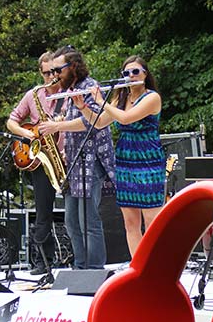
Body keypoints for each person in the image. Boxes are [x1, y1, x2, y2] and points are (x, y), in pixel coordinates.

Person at [68, 55, 165, 256]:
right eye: (126, 73)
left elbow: (126, 119)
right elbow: (99, 122)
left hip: (148, 161)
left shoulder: (152, 97)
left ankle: (156, 266)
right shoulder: (120, 99)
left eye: (135, 71)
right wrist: (83, 107)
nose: (131, 76)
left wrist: (100, 101)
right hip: (125, 161)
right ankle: (138, 267)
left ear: (145, 74)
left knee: (152, 222)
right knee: (130, 223)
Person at [38, 46, 115, 270]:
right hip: (75, 162)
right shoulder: (70, 90)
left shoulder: (90, 86)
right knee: (71, 221)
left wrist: (57, 126)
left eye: (58, 70)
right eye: (52, 71)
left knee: (89, 220)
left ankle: (95, 269)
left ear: (72, 66)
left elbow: (91, 122)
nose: (54, 76)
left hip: (92, 162)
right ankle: (80, 267)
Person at [6, 52, 63, 275]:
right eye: (46, 73)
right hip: (42, 160)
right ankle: (43, 261)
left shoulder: (69, 93)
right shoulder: (33, 95)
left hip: (66, 156)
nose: (51, 77)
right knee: (42, 212)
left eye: (54, 72)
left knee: (76, 211)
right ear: (40, 73)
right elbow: (12, 121)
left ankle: (81, 261)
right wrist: (27, 134)